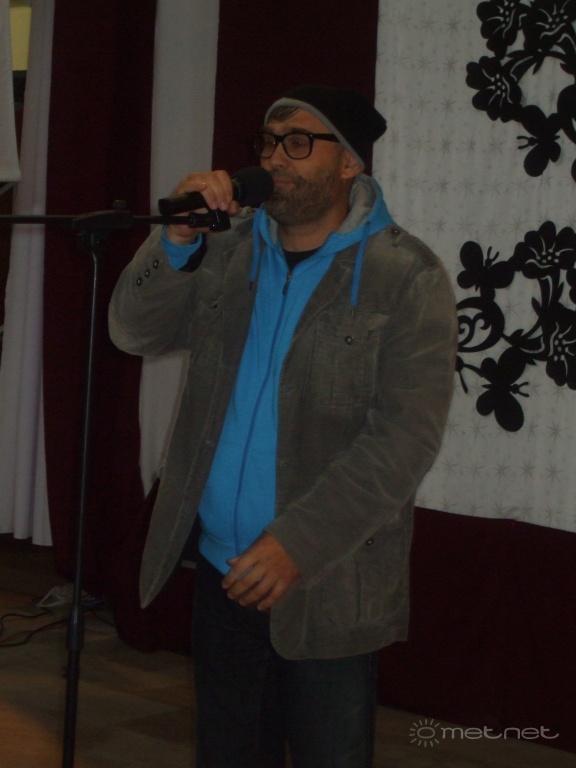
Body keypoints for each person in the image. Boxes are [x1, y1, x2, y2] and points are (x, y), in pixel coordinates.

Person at [109, 83, 458, 768]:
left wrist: (296, 544)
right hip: (223, 573)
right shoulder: (228, 249)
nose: (275, 159)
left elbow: (403, 440)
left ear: (350, 162)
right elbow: (134, 330)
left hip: (327, 579)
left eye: (298, 143)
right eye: (268, 143)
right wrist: (175, 238)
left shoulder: (406, 276)